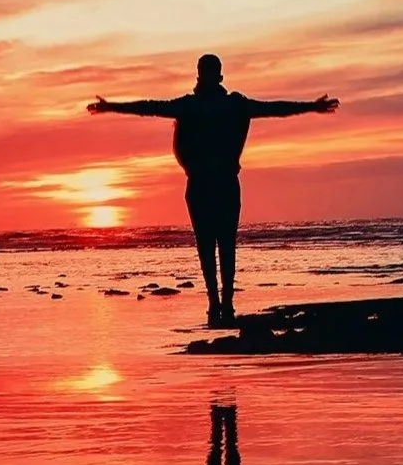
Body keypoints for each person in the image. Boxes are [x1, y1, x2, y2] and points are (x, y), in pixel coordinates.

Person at [87, 54, 339, 326]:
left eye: (207, 73)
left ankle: (223, 302)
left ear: (209, 76)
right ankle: (217, 302)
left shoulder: (225, 105)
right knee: (211, 245)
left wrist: (311, 107)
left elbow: (273, 108)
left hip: (217, 183)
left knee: (221, 244)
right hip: (206, 184)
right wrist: (112, 106)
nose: (206, 77)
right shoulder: (200, 106)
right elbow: (151, 107)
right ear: (215, 76)